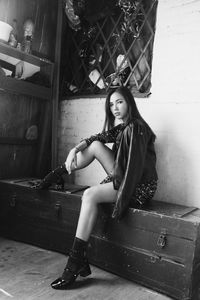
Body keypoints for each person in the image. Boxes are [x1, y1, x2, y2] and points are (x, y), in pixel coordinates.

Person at [35, 86, 158, 289]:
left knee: (90, 194)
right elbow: (96, 139)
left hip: (138, 185)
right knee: (94, 146)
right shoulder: (123, 127)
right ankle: (57, 173)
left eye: (119, 102)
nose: (115, 108)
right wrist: (73, 150)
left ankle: (75, 262)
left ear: (129, 102)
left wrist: (118, 202)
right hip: (124, 174)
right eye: (111, 104)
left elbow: (134, 170)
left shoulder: (137, 128)